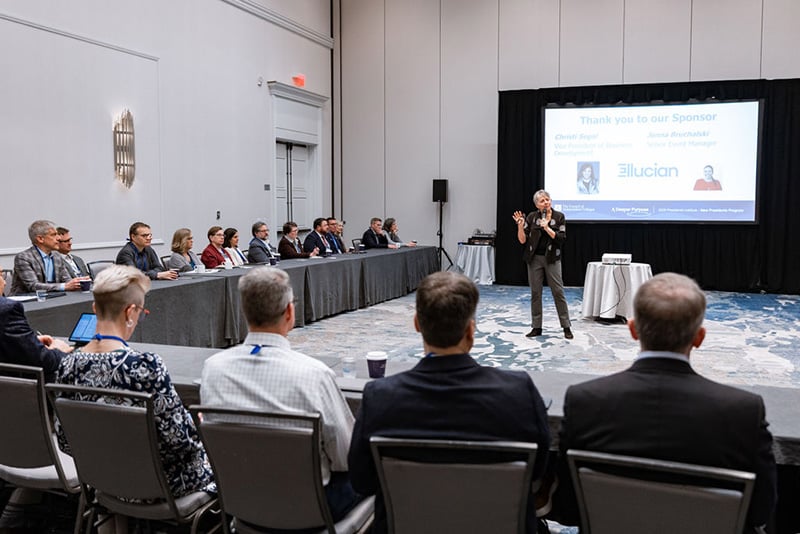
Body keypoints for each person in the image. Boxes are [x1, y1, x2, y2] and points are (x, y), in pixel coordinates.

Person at [556, 272, 776, 531]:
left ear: (633, 330)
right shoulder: (743, 412)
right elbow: (761, 511)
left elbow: (568, 509)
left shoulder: (585, 402)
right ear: (699, 337)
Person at [348, 271, 551, 534]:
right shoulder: (519, 392)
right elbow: (536, 476)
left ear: (417, 324)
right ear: (470, 329)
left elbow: (362, 481)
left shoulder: (379, 396)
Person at [200, 267, 362, 521]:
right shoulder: (314, 374)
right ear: (289, 312)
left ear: (244, 311)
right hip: (310, 509)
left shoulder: (213, 368)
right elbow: (346, 456)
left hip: (241, 500)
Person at [54, 265, 215, 500]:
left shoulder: (68, 364)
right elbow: (179, 442)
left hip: (100, 479)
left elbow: (65, 441)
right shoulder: (146, 365)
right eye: (141, 312)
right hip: (160, 486)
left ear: (94, 308)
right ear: (130, 312)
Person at [513, 190, 572, 339]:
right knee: (535, 293)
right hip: (534, 259)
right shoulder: (532, 217)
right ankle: (536, 327)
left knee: (558, 292)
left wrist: (547, 227)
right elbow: (522, 240)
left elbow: (561, 238)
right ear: (537, 205)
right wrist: (520, 226)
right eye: (542, 201)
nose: (546, 202)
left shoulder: (559, 217)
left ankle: (566, 327)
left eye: (547, 199)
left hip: (552, 258)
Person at [0, 264, 72, 381]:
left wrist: (29, 340)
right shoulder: (7, 309)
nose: (5, 282)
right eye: (1, 275)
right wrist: (58, 350)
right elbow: (43, 361)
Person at [10, 220, 85, 295]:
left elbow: (67, 281)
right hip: (26, 302)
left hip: (53, 299)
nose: (58, 238)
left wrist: (79, 282)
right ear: (40, 239)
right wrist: (64, 286)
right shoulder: (23, 258)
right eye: (53, 235)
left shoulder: (57, 256)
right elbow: (33, 286)